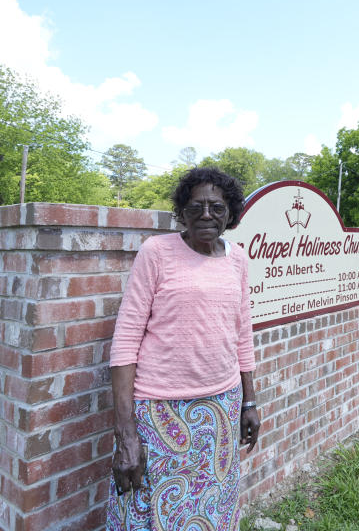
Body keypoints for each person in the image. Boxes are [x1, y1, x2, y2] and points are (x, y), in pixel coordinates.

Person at [106, 167, 261, 531]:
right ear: (182, 211)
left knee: (213, 508)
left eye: (217, 207)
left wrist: (249, 401)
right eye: (196, 207)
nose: (207, 215)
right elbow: (126, 340)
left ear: (231, 212)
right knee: (148, 512)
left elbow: (242, 334)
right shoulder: (157, 252)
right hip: (159, 411)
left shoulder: (238, 259)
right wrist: (125, 432)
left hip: (221, 409)